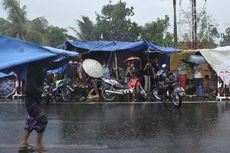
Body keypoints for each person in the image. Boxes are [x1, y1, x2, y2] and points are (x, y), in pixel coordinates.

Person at [18, 62, 48, 153]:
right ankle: (38, 144)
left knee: (31, 120)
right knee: (42, 120)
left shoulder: (43, 66)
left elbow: (54, 64)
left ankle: (23, 143)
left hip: (37, 99)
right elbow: (29, 88)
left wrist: (69, 58)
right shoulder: (32, 67)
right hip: (30, 100)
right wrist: (39, 90)